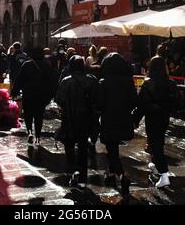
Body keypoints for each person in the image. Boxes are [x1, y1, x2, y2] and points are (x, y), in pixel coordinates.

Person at [133, 56, 179, 188]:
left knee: (155, 144)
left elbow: (141, 104)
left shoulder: (148, 83)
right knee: (159, 142)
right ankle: (157, 167)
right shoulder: (171, 83)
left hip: (152, 117)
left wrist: (135, 119)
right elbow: (176, 102)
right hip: (164, 117)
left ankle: (164, 174)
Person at [55, 55, 98, 188]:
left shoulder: (65, 81)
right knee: (83, 147)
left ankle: (74, 171)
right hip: (86, 119)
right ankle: (83, 177)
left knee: (69, 145)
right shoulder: (91, 80)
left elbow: (59, 99)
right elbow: (97, 99)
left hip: (69, 118)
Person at [98, 53, 137, 196]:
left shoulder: (103, 82)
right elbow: (134, 101)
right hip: (124, 119)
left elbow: (100, 103)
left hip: (108, 119)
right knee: (112, 149)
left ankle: (121, 175)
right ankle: (111, 173)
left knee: (111, 148)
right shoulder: (128, 81)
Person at [12, 47, 56, 145]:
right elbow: (52, 81)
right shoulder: (46, 65)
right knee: (38, 116)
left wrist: (14, 92)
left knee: (28, 114)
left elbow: (19, 79)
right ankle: (38, 137)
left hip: (28, 94)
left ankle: (30, 132)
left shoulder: (26, 65)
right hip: (41, 96)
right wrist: (51, 95)